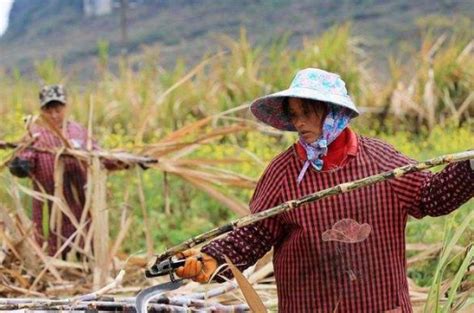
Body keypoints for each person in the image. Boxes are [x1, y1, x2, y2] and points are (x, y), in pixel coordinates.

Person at [174, 68, 474, 312]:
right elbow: (254, 234)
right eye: (294, 114)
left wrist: (470, 167)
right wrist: (210, 261)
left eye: (307, 111)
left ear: (333, 113)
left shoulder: (381, 161)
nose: (300, 122)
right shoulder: (284, 173)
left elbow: (431, 196)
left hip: (382, 307)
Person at [8, 84, 127, 258]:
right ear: (42, 110)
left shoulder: (79, 132)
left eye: (58, 109)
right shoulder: (35, 135)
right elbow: (24, 160)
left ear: (65, 107)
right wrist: (19, 166)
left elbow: (100, 157)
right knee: (52, 253)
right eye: (49, 110)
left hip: (81, 207)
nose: (54, 115)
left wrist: (123, 161)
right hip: (51, 210)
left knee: (86, 248)